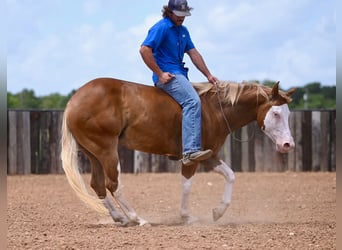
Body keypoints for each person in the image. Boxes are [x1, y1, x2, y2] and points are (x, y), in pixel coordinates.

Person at [139, 0, 219, 166]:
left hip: (181, 75)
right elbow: (144, 49)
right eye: (179, 14)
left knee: (190, 106)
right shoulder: (161, 27)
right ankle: (190, 151)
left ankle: (177, 147)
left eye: (184, 15)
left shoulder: (183, 31)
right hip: (170, 76)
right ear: (169, 12)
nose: (182, 18)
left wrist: (209, 75)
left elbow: (194, 54)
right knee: (192, 101)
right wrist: (159, 74)